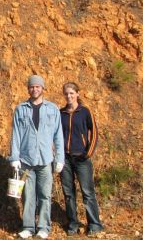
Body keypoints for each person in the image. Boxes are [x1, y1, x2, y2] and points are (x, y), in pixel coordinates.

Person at [9, 75, 65, 239]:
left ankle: (43, 228)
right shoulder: (21, 109)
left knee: (45, 195)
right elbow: (16, 135)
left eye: (38, 87)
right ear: (28, 89)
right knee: (28, 195)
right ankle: (28, 227)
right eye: (32, 87)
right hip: (26, 161)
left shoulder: (52, 109)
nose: (35, 89)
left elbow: (58, 136)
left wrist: (60, 158)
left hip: (46, 160)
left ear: (43, 88)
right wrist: (14, 157)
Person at [59, 82, 104, 236]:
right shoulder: (61, 113)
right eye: (66, 93)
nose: (69, 96)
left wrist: (88, 152)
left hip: (82, 159)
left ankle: (94, 224)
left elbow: (95, 133)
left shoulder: (85, 112)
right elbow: (55, 136)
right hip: (64, 159)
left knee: (87, 192)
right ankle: (73, 224)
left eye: (72, 93)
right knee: (68, 193)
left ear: (78, 93)